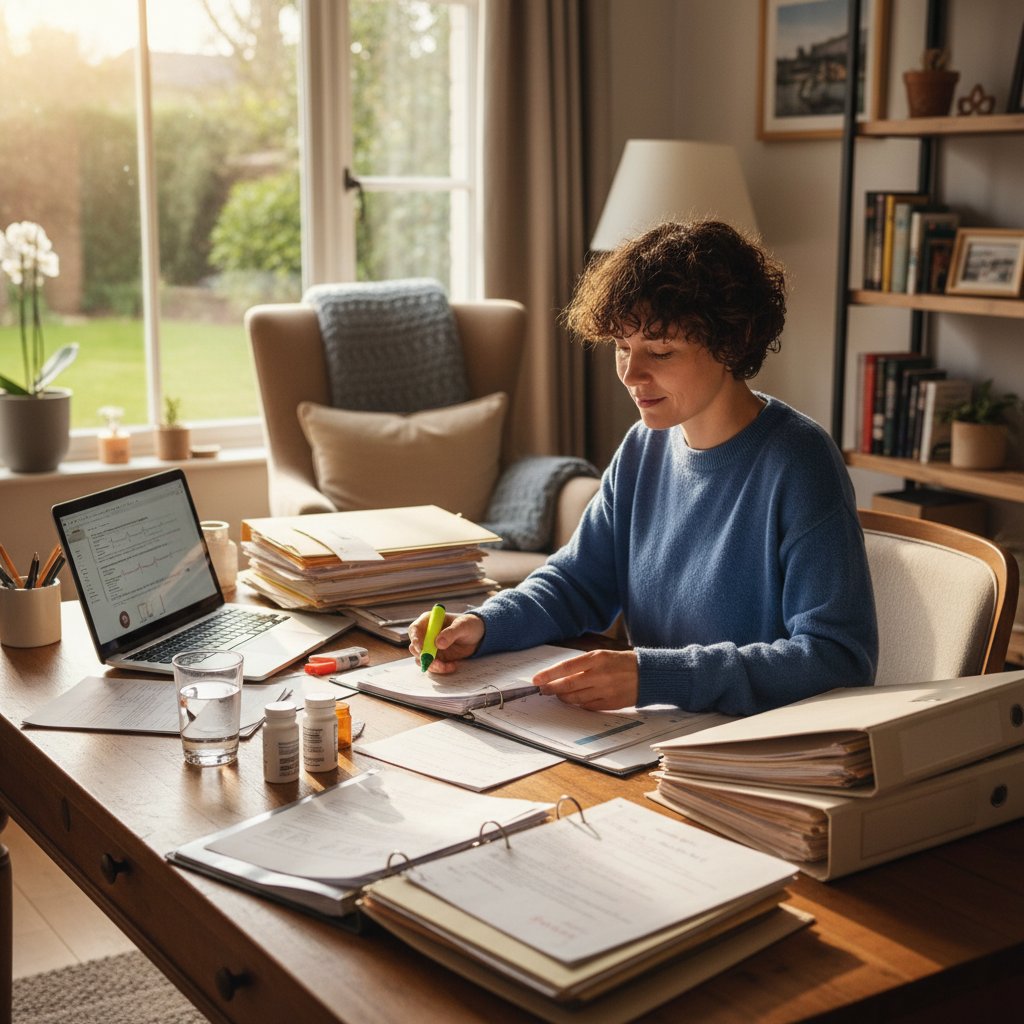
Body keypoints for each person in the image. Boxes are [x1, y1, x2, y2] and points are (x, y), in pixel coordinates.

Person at [409, 219, 878, 716]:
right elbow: (577, 583)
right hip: (654, 737)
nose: (632, 375)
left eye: (660, 351)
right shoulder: (642, 448)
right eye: (622, 348)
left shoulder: (799, 463)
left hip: (754, 749)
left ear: (731, 345)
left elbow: (839, 659)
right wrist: (484, 624)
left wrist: (654, 676)